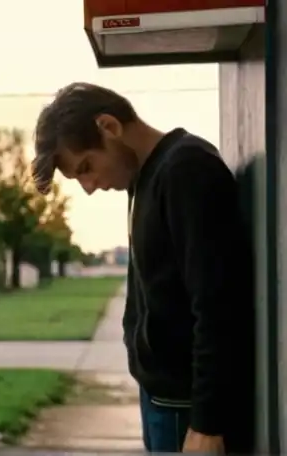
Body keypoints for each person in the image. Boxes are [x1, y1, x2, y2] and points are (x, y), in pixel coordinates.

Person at [31, 82, 255, 454]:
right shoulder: (146, 177)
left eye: (86, 167)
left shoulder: (186, 170)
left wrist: (207, 423)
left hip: (187, 408)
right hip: (162, 397)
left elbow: (218, 305)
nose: (88, 187)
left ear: (109, 127)